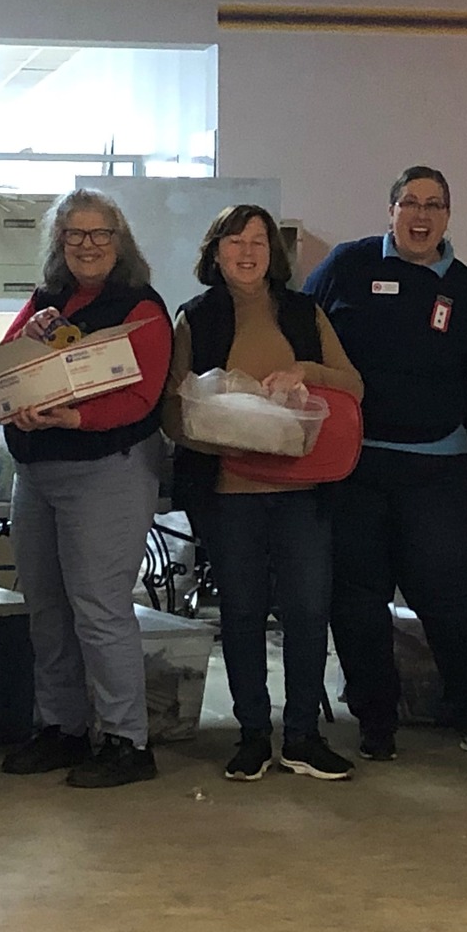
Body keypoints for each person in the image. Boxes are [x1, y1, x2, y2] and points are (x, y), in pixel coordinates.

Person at [306, 167, 467, 763]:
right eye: (410, 203)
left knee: (451, 600)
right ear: (390, 209)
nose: (421, 215)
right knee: (358, 600)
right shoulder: (347, 264)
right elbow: (300, 329)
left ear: (448, 216)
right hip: (355, 467)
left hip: (437, 468)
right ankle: (375, 721)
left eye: (435, 205)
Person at [165, 204, 364, 782]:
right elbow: (171, 412)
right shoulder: (194, 319)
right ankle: (253, 734)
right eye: (235, 241)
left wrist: (305, 371)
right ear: (216, 251)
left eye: (259, 241)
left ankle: (302, 734)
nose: (248, 251)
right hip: (229, 491)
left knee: (307, 609)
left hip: (303, 489)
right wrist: (219, 427)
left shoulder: (305, 313)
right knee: (243, 612)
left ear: (273, 254)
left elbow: (353, 383)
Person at [0, 190, 172, 789]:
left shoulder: (141, 308)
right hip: (38, 474)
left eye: (99, 235)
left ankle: (126, 740)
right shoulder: (45, 301)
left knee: (99, 609)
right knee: (47, 608)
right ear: (59, 243)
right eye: (75, 235)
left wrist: (73, 418)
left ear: (119, 243)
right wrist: (29, 354)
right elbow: (3, 367)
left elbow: (140, 398)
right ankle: (63, 727)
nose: (88, 245)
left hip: (107, 470)